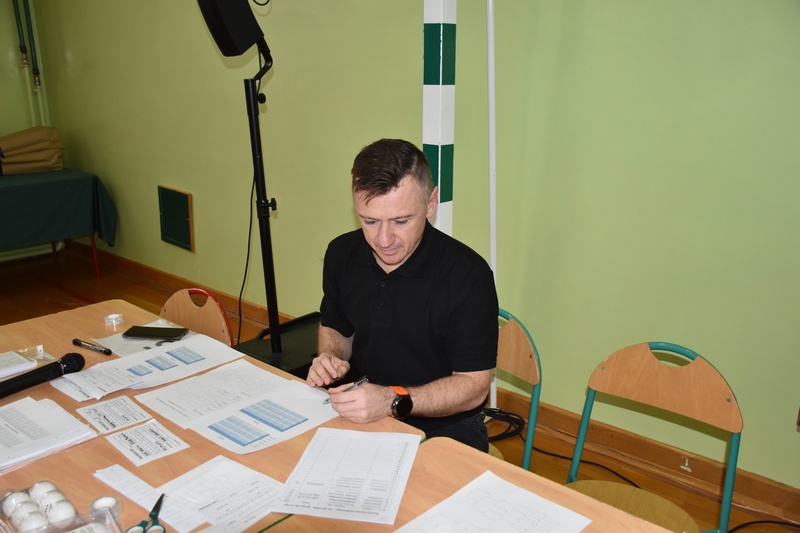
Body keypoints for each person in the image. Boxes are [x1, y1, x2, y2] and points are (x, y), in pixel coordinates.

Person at [307, 138, 498, 451]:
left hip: (445, 426)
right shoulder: (341, 253)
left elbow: (473, 386)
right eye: (370, 221)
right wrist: (331, 357)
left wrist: (391, 400)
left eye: (401, 221)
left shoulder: (468, 275)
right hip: (362, 407)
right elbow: (336, 327)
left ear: (431, 203)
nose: (384, 240)